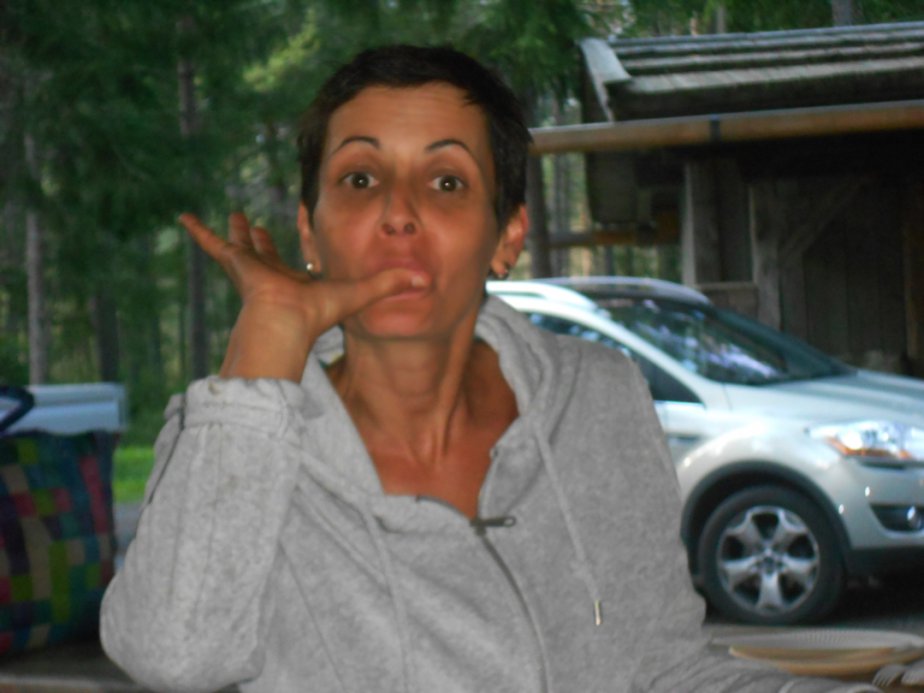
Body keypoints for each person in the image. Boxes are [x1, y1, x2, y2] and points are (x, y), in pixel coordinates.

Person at [100, 45, 878, 693]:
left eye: (446, 181)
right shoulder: (230, 439)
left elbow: (664, 669)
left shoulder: (598, 399)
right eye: (361, 178)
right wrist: (269, 332)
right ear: (312, 230)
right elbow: (173, 657)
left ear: (507, 236)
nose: (398, 212)